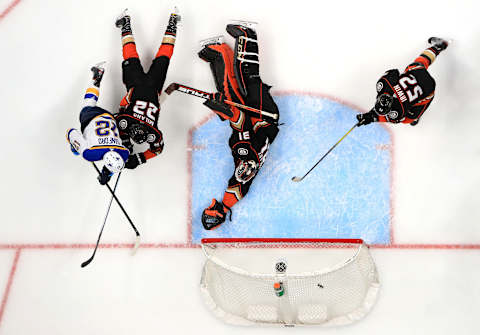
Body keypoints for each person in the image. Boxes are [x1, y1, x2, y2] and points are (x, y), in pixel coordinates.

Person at [198, 22, 280, 230]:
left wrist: (224, 109)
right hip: (262, 117)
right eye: (209, 209)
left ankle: (219, 53)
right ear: (216, 213)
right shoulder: (241, 172)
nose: (209, 204)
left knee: (229, 93)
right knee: (248, 78)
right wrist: (226, 112)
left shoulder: (236, 192)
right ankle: (248, 34)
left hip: (259, 122)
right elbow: (241, 125)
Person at [114, 8, 180, 169]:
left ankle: (173, 21)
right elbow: (124, 105)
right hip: (137, 86)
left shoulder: (153, 133)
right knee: (132, 56)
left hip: (153, 88)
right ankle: (126, 23)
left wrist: (136, 154)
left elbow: (158, 149)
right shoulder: (127, 121)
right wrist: (137, 157)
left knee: (164, 55)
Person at [356, 37, 449, 127]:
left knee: (411, 117)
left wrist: (370, 117)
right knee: (421, 62)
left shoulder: (399, 110)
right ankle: (437, 47)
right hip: (417, 74)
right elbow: (394, 72)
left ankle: (416, 118)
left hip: (428, 88)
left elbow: (385, 118)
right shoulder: (384, 84)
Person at [66, 63, 129, 185]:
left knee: (90, 105)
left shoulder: (124, 154)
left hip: (110, 118)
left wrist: (107, 173)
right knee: (88, 104)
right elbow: (70, 131)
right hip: (91, 117)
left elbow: (120, 155)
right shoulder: (90, 154)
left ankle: (96, 81)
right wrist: (75, 147)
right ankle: (97, 78)